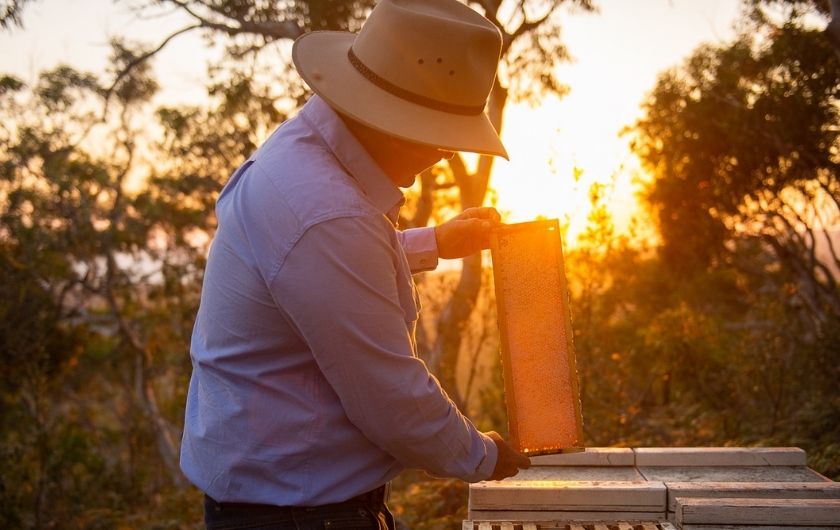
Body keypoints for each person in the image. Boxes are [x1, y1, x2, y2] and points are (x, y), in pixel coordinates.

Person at [180, 0, 531, 528]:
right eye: (440, 136)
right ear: (393, 123)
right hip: (300, 517)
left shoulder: (305, 154)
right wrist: (483, 455)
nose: (445, 154)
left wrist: (435, 240)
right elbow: (389, 396)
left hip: (276, 507)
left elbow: (316, 273)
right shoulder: (327, 213)